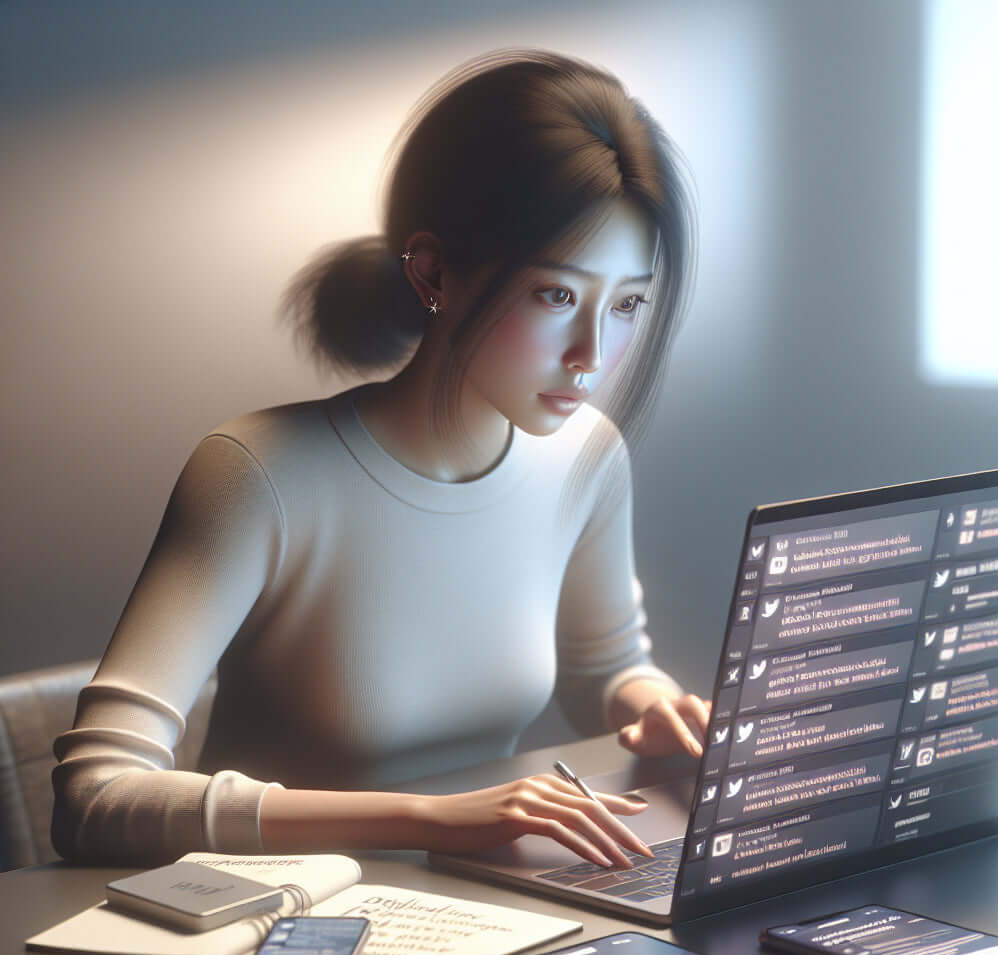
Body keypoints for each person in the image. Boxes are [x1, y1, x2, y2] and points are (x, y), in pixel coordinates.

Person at [51, 50, 708, 868]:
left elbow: (602, 668)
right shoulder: (261, 473)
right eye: (557, 295)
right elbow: (95, 796)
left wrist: (654, 707)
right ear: (435, 272)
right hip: (270, 925)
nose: (591, 353)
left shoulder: (587, 458)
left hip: (481, 915)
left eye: (628, 304)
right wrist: (426, 820)